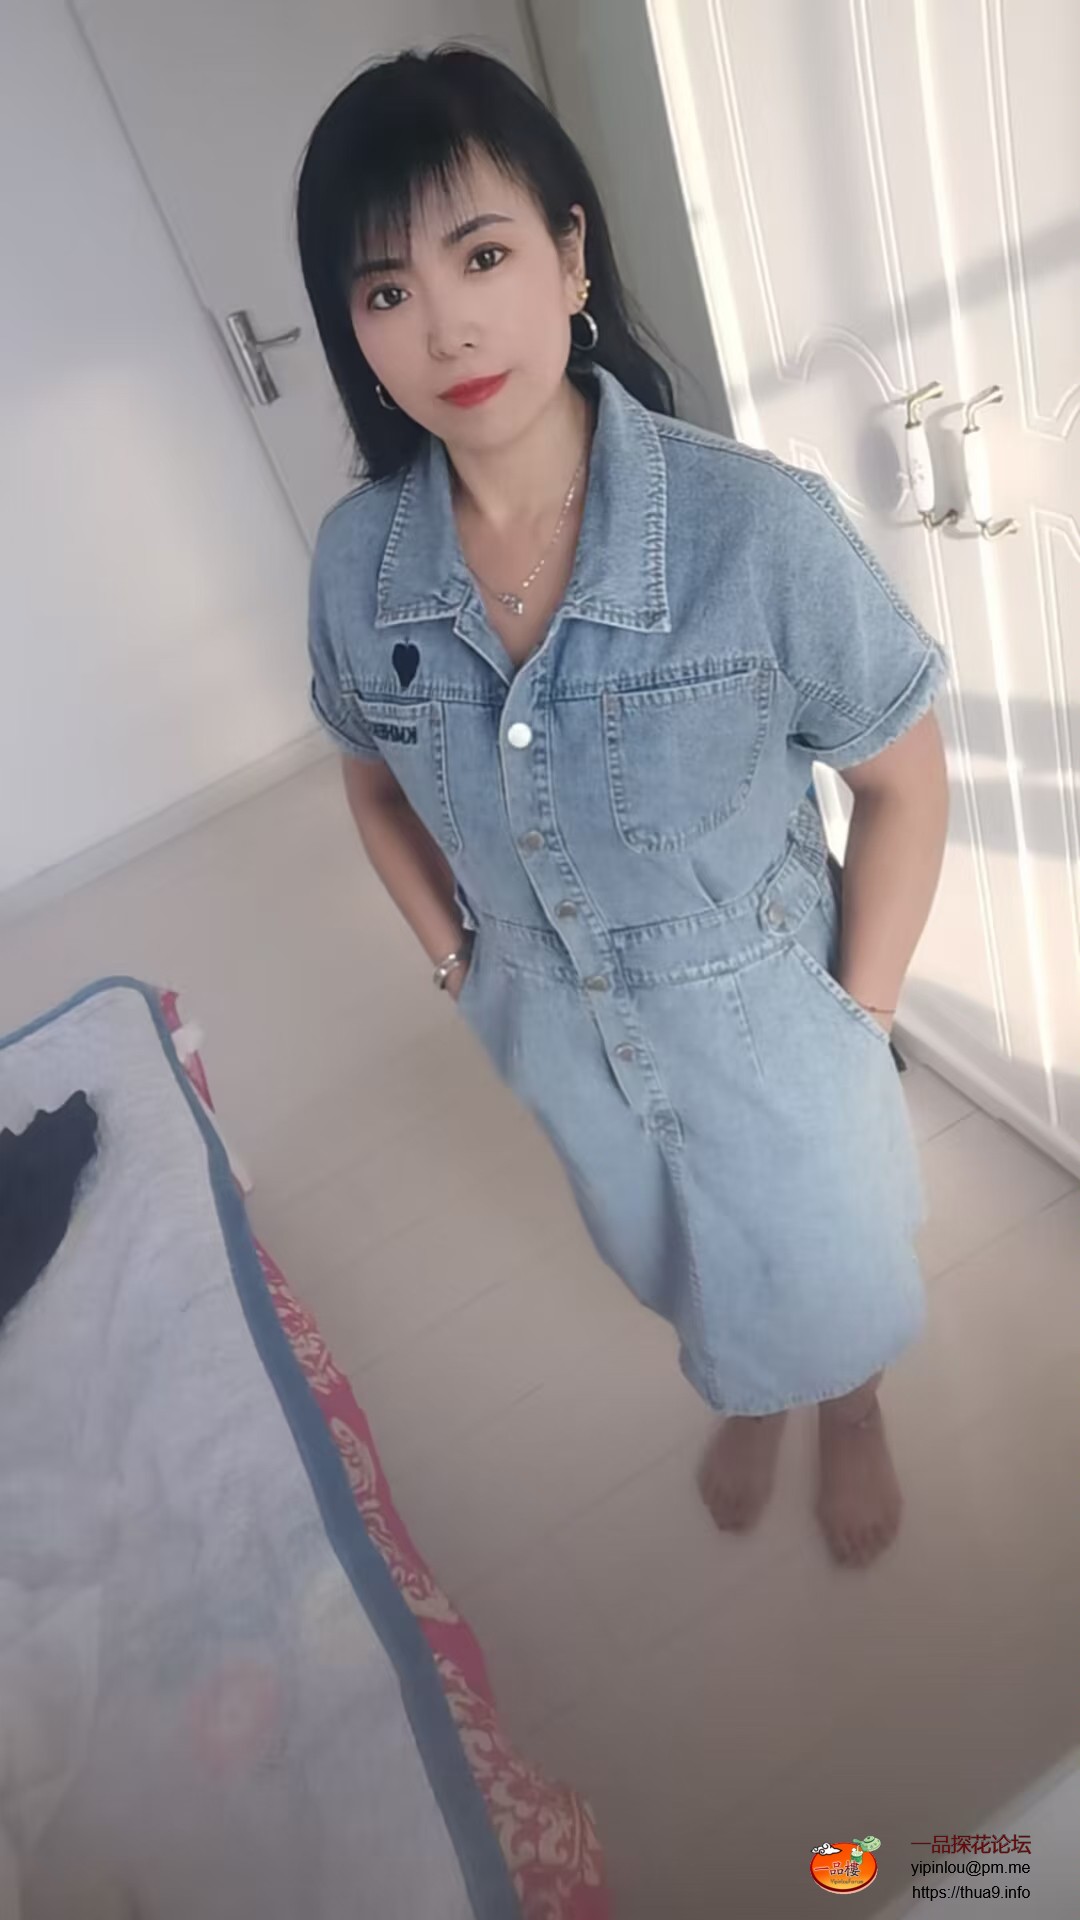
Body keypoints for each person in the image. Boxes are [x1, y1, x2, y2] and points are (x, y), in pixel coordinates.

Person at [296, 46, 950, 1570]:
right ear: (354, 330)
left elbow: (903, 779)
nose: (447, 324)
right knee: (670, 1250)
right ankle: (751, 1388)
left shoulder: (758, 531)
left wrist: (854, 1020)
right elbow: (369, 775)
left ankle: (849, 1403)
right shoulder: (354, 564)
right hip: (552, 1028)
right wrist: (456, 962)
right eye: (387, 288)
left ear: (570, 253)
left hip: (774, 1025)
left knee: (828, 1255)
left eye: (482, 255)